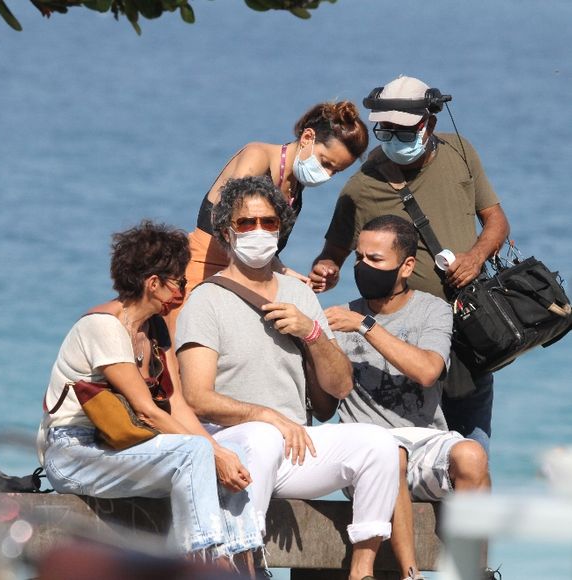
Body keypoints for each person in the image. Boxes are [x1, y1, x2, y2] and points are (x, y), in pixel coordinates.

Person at [176, 176, 400, 580]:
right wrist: (266, 416)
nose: (259, 231)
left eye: (268, 223)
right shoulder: (206, 300)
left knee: (380, 445)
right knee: (262, 438)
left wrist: (311, 333)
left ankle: (362, 571)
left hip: (294, 445)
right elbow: (195, 398)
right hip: (231, 444)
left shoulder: (300, 296)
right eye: (247, 223)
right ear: (227, 230)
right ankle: (246, 563)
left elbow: (340, 387)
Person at [37, 220, 262, 572]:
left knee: (219, 459)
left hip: (121, 449)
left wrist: (220, 454)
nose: (184, 291)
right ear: (153, 283)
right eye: (180, 282)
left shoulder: (155, 329)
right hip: (73, 453)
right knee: (199, 452)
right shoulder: (103, 326)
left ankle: (247, 565)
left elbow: (175, 404)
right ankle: (205, 564)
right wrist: (211, 451)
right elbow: (147, 411)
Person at [310, 75, 510, 454]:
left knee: (471, 449)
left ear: (430, 123)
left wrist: (475, 256)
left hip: (467, 331)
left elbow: (496, 221)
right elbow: (332, 254)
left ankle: (464, 512)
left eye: (404, 130)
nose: (394, 138)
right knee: (403, 453)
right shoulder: (360, 188)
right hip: (402, 342)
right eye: (385, 130)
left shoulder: (460, 152)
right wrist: (327, 270)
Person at [324, 215, 494, 580]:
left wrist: (366, 327)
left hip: (425, 442)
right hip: (367, 453)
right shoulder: (339, 319)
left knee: (472, 455)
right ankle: (411, 575)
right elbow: (324, 403)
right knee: (391, 454)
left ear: (407, 266)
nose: (362, 267)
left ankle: (473, 571)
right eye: (359, 258)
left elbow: (428, 370)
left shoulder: (432, 310)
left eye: (375, 259)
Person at [185, 100, 369, 293]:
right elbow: (233, 225)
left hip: (248, 281)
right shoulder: (258, 156)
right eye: (325, 163)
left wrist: (295, 278)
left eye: (336, 171)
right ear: (307, 137)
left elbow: (260, 248)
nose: (328, 174)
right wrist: (281, 270)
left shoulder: (295, 188)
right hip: (204, 273)